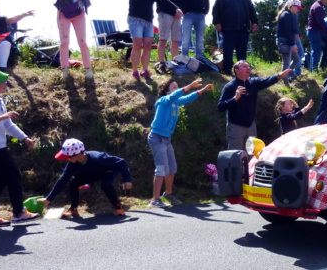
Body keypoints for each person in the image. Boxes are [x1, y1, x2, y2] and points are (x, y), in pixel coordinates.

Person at [148, 78, 213, 207]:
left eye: (177, 86)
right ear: (167, 91)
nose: (177, 89)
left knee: (172, 168)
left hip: (166, 139)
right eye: (173, 87)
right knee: (161, 169)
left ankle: (168, 194)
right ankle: (155, 200)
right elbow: (176, 95)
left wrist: (203, 90)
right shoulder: (163, 101)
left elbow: (187, 98)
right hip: (157, 138)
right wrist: (189, 85)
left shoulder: (176, 103)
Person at [55, 0, 114, 79]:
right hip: (63, 13)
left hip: (78, 12)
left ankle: (88, 70)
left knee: (82, 42)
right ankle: (64, 69)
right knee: (64, 42)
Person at [38, 139, 132, 217]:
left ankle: (117, 206)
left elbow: (121, 162)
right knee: (73, 183)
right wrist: (48, 199)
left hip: (106, 172)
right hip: (89, 174)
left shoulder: (99, 158)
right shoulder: (73, 163)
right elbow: (62, 179)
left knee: (106, 184)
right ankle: (73, 209)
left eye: (68, 157)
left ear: (78, 155)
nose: (67, 160)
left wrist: (127, 179)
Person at [0, 69, 40, 225]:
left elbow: (8, 124)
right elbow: (0, 120)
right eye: (2, 82)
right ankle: (19, 212)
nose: (5, 84)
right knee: (14, 176)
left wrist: (24, 137)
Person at [218, 61, 291, 150]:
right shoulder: (229, 87)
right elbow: (220, 106)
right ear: (237, 70)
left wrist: (278, 76)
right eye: (245, 66)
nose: (248, 68)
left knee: (252, 152)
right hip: (235, 126)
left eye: (248, 66)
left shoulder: (253, 82)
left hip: (251, 125)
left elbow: (266, 81)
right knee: (236, 154)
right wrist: (235, 98)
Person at [212, 0, 258, 74]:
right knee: (228, 51)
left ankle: (242, 70)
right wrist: (217, 23)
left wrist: (254, 22)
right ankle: (228, 69)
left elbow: (251, 10)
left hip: (243, 28)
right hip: (228, 28)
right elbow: (215, 11)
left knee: (242, 51)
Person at [151, 0, 183, 72]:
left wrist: (180, 11)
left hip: (176, 16)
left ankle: (174, 63)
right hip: (164, 13)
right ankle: (162, 63)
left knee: (175, 40)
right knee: (163, 39)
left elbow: (181, 2)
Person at [0, 3, 34, 72]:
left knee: (6, 43)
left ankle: (2, 68)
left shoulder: (1, 20)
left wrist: (24, 14)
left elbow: (13, 19)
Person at [276, 0, 302, 83]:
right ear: (292, 6)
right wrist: (293, 44)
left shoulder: (290, 15)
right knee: (286, 63)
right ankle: (285, 82)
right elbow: (287, 32)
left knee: (297, 59)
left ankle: (285, 76)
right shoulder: (286, 15)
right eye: (297, 8)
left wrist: (299, 34)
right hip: (285, 42)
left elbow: (294, 28)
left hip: (288, 42)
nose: (298, 10)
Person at [307, 0, 327, 71]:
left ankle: (313, 70)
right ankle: (314, 71)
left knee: (316, 51)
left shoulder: (316, 5)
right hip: (314, 31)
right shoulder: (318, 7)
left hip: (313, 31)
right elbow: (321, 21)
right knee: (316, 52)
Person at [292, 0, 308, 77]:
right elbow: (293, 21)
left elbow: (297, 21)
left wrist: (299, 33)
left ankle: (296, 73)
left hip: (295, 32)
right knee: (299, 53)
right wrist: (297, 33)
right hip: (292, 33)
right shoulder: (293, 3)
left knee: (298, 53)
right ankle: (294, 73)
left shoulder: (296, 3)